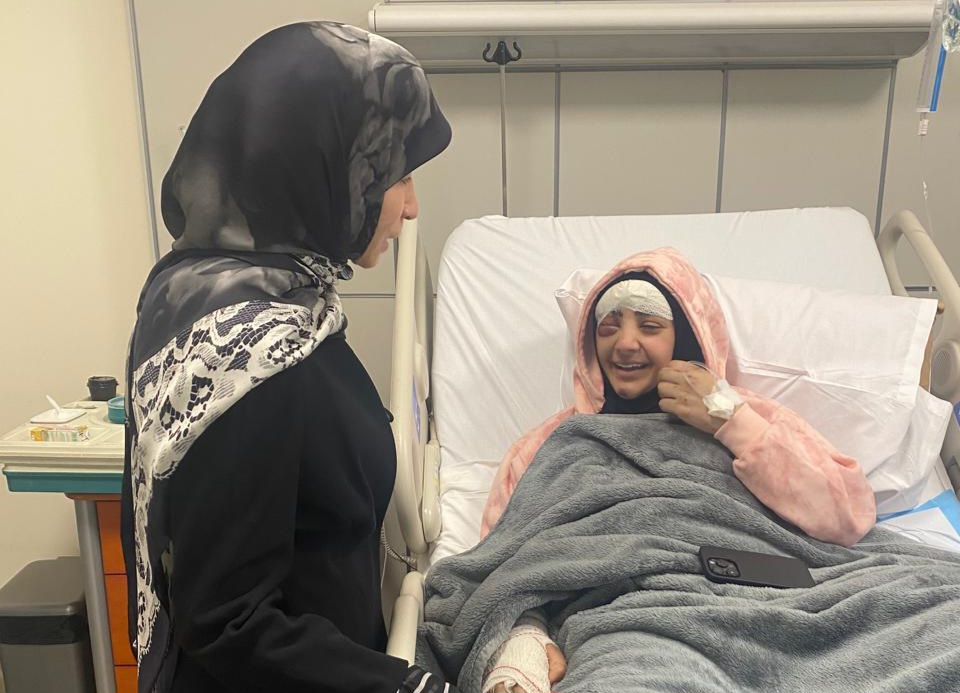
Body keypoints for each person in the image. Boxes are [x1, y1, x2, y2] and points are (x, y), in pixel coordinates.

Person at [119, 22, 456, 693]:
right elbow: (231, 621)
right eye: (396, 174)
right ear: (323, 165)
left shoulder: (237, 298)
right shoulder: (248, 351)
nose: (412, 206)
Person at [477, 247, 877, 693]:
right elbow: (505, 566)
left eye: (649, 326)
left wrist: (727, 418)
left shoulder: (747, 414)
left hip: (780, 602)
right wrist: (525, 640)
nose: (625, 343)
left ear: (685, 336)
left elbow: (846, 515)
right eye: (609, 327)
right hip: (640, 623)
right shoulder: (554, 444)